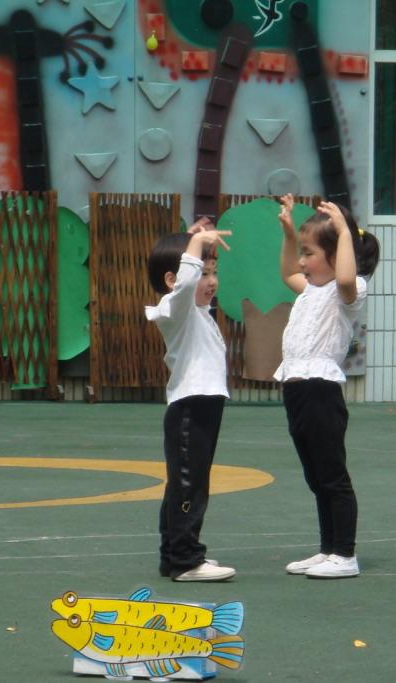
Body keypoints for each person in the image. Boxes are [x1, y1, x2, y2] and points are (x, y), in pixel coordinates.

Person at [275, 195, 380, 579]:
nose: (302, 261)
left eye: (310, 253)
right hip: (297, 390)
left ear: (336, 255)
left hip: (321, 391)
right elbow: (287, 272)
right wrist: (289, 234)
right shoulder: (310, 289)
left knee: (332, 476)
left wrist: (344, 232)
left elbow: (347, 277)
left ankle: (345, 554)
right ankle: (327, 549)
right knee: (316, 476)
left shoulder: (347, 291)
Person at [144, 219, 236, 582]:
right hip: (191, 406)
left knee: (186, 482)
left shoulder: (194, 311)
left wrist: (193, 239)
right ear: (173, 279)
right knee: (188, 484)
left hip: (204, 404)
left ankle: (174, 554)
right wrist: (194, 245)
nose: (212, 281)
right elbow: (185, 284)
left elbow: (187, 280)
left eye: (214, 272)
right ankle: (185, 560)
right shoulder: (175, 308)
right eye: (203, 273)